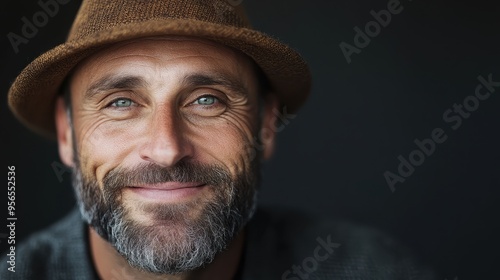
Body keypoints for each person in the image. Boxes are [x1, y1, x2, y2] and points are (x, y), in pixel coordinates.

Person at [1, 0, 437, 279]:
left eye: (207, 100)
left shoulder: (374, 269)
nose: (168, 148)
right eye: (120, 102)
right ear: (66, 132)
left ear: (265, 126)